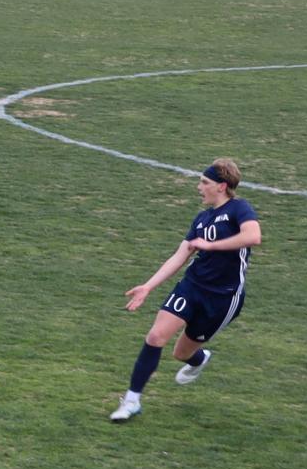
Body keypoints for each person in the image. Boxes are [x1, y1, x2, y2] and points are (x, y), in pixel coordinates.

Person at [110, 161, 261, 423]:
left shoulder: (239, 208)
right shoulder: (201, 219)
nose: (199, 187)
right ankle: (132, 400)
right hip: (191, 287)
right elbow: (179, 256)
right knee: (156, 336)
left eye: (205, 182)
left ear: (222, 186)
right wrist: (148, 285)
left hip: (223, 298)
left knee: (181, 354)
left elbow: (253, 237)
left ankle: (198, 359)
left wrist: (212, 246)